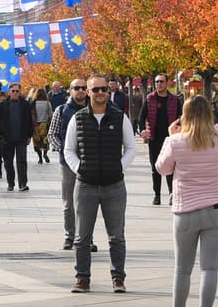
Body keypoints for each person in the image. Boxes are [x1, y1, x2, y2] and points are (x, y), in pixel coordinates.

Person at [156, 93, 218, 307]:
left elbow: (162, 168)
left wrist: (169, 136)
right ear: (209, 114)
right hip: (216, 210)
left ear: (184, 115)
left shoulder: (176, 141)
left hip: (186, 211)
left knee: (182, 269)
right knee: (210, 268)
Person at [64, 74, 137, 294]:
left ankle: (118, 278)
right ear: (87, 91)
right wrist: (80, 168)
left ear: (109, 91)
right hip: (85, 185)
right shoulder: (78, 119)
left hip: (114, 185)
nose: (100, 93)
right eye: (95, 90)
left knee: (116, 236)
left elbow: (131, 147)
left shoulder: (119, 117)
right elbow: (69, 150)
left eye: (104, 89)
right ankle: (82, 278)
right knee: (82, 237)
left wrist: (119, 167)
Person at [49, 77, 94, 251]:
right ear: (70, 90)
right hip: (68, 164)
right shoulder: (62, 110)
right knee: (69, 202)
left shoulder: (94, 109)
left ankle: (86, 238)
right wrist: (65, 151)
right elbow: (52, 134)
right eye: (77, 88)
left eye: (84, 88)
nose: (81, 90)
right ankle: (70, 236)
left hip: (90, 162)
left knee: (88, 202)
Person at [142, 74, 183, 205]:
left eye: (161, 82)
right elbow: (141, 116)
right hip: (154, 138)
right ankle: (157, 195)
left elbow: (181, 117)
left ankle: (172, 193)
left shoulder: (175, 100)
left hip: (171, 139)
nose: (158, 84)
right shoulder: (150, 99)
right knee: (155, 167)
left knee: (171, 166)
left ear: (167, 83)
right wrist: (143, 131)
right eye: (156, 82)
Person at [0, 83, 34, 191]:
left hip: (21, 137)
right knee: (8, 162)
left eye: (17, 91)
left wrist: (29, 135)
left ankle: (22, 184)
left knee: (22, 162)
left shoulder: (25, 105)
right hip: (6, 138)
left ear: (20, 92)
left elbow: (30, 121)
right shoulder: (2, 105)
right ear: (9, 92)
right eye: (13, 91)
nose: (15, 93)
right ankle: (11, 183)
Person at [32, 87, 52, 163]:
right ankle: (45, 154)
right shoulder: (48, 103)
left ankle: (40, 158)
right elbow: (50, 114)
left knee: (37, 142)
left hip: (36, 125)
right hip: (45, 125)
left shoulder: (33, 103)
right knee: (45, 141)